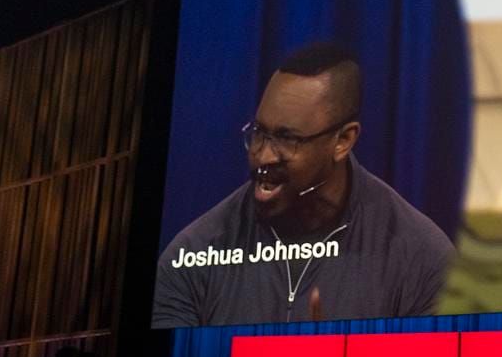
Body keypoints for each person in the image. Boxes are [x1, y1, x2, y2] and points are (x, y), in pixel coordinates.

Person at [152, 43, 455, 328]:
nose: (263, 156)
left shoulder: (422, 258)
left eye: (288, 139)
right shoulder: (194, 254)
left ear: (343, 140)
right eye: (259, 133)